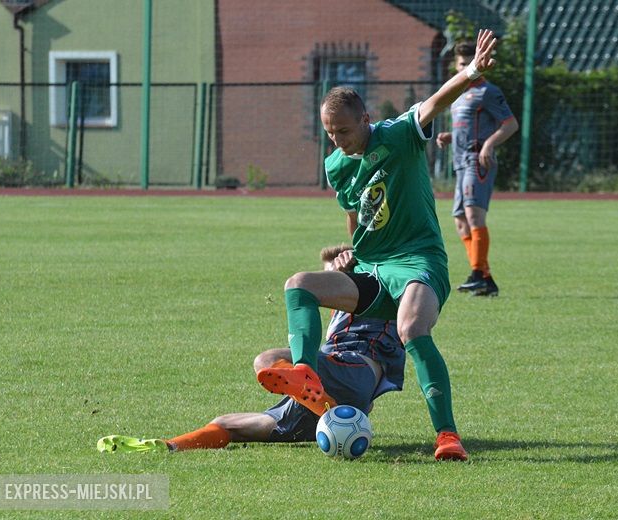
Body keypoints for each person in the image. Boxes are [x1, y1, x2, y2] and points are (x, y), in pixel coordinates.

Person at [255, 29, 500, 462]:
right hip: (372, 268)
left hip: (417, 262)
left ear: (366, 119)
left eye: (345, 131)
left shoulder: (398, 135)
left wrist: (473, 72)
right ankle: (305, 370)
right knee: (299, 284)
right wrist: (352, 252)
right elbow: (356, 217)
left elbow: (435, 101)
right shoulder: (337, 164)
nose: (338, 141)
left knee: (411, 330)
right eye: (330, 134)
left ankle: (447, 436)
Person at [97, 245, 405, 454]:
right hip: (331, 389)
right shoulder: (336, 317)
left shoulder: (378, 294)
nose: (326, 284)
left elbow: (372, 243)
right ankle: (168, 446)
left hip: (352, 368)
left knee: (268, 360)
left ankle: (324, 402)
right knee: (228, 424)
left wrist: (352, 263)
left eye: (331, 274)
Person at [436, 41, 519, 297]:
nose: (465, 67)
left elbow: (510, 124)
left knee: (473, 216)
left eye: (469, 62)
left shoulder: (488, 92)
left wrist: (488, 146)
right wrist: (451, 136)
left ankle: (477, 273)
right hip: (460, 163)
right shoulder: (458, 94)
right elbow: (469, 124)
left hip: (476, 160)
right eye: (461, 63)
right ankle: (485, 277)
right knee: (460, 222)